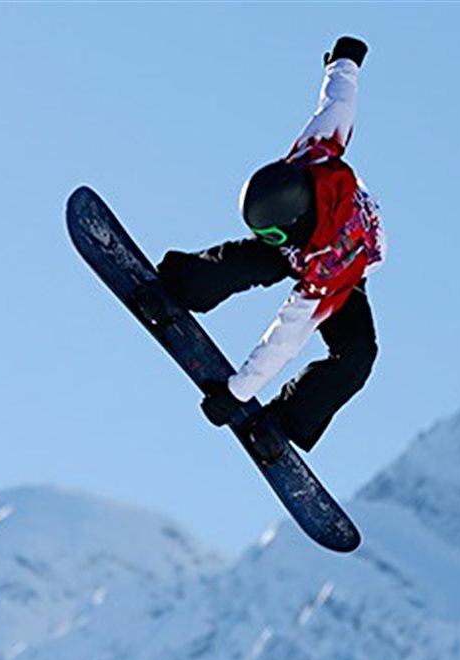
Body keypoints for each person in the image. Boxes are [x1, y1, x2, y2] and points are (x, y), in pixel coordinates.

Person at [157, 36, 384, 460]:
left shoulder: (327, 267)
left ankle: (287, 419)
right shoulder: (312, 154)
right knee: (250, 259)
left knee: (356, 357)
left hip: (346, 265)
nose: (269, 240)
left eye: (275, 234)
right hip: (309, 234)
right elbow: (336, 105)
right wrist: (345, 62)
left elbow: (286, 337)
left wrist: (238, 392)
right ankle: (184, 283)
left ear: (293, 226)